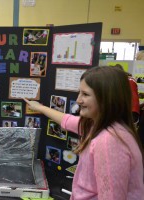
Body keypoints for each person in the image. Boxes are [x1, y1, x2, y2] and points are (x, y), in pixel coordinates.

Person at [24, 66, 144, 199]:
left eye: (85, 94)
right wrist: (40, 107)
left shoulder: (109, 141)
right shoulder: (98, 125)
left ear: (107, 99)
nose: (78, 100)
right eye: (79, 92)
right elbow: (67, 120)